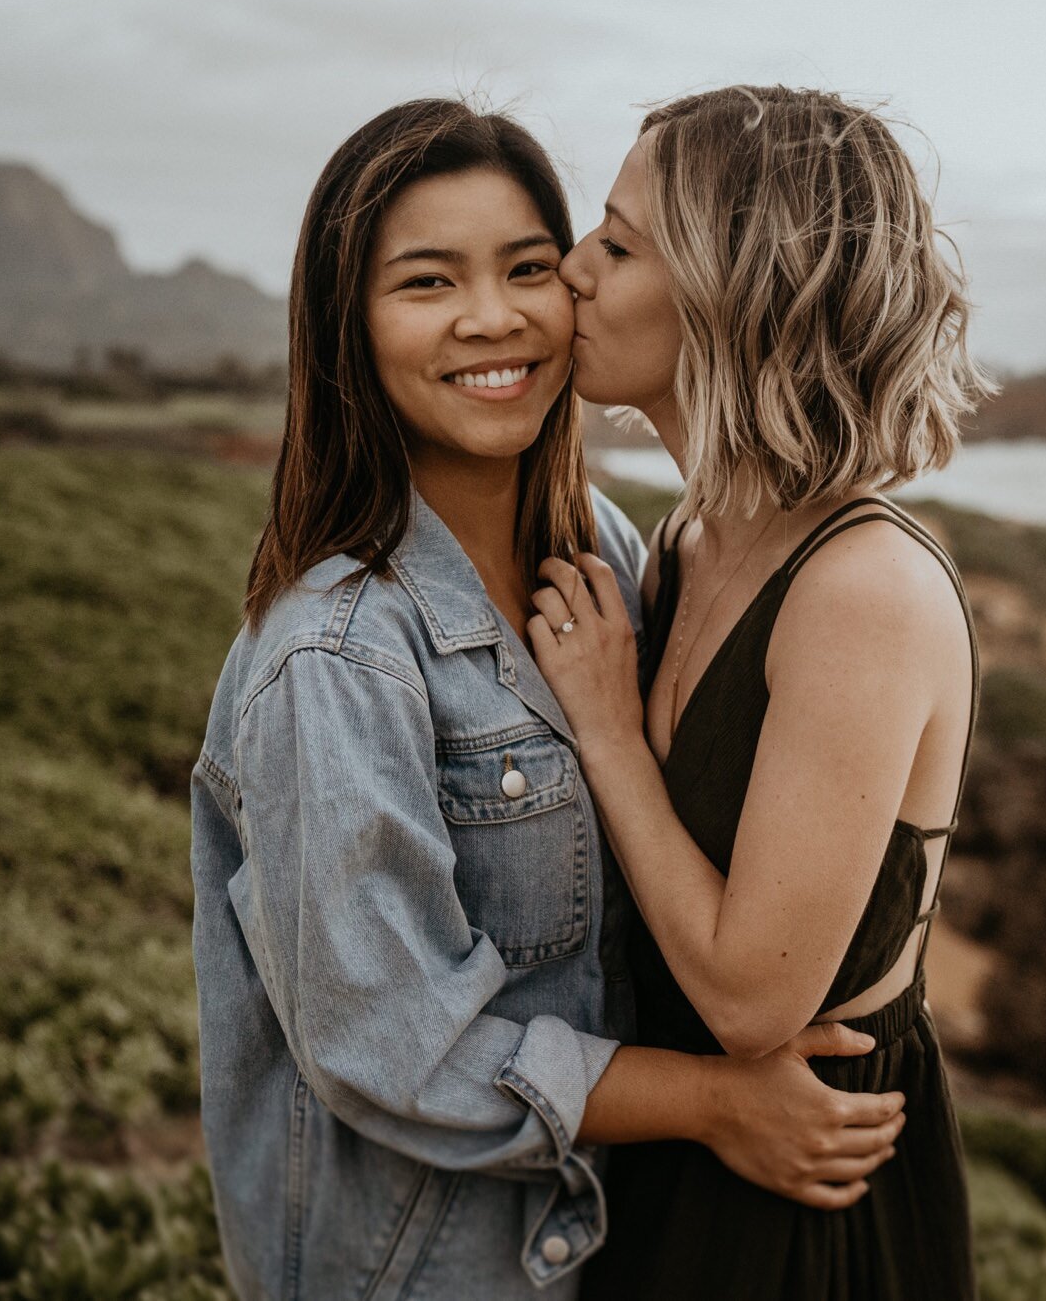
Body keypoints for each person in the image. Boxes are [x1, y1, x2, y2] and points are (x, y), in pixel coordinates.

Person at [189, 98, 912, 1301]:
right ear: (348, 328)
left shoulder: (614, 556)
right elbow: (389, 1045)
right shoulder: (334, 655)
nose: (494, 316)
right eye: (426, 283)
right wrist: (711, 1102)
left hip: (614, 1254)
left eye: (529, 266)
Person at [526, 86, 992, 1299]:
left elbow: (746, 994)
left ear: (735, 294)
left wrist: (608, 730)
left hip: (805, 1192)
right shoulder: (684, 538)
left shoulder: (860, 590)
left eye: (617, 245)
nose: (567, 268)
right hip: (679, 1146)